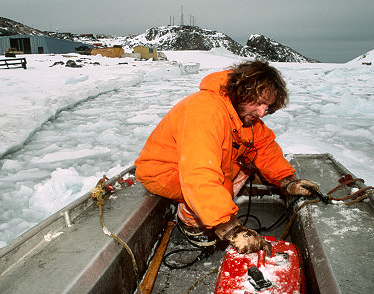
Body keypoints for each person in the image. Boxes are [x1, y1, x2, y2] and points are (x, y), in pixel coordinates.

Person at [135, 60, 319, 255]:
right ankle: (191, 226)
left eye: (267, 106)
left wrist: (287, 181)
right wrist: (230, 227)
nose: (262, 112)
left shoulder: (241, 115)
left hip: (195, 169)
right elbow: (199, 174)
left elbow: (264, 146)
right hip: (164, 173)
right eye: (258, 103)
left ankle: (211, 214)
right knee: (218, 183)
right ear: (241, 92)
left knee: (244, 167)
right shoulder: (205, 110)